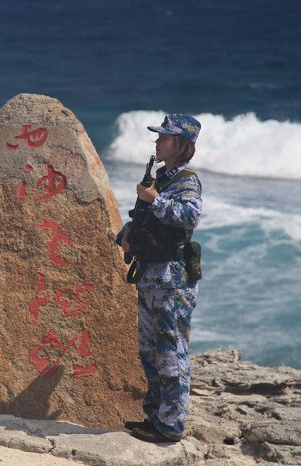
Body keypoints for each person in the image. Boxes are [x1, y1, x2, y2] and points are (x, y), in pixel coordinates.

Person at [119, 114, 203, 443]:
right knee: (149, 351)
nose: (157, 141)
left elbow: (189, 216)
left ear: (180, 145)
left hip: (172, 280)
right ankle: (155, 417)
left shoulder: (186, 181)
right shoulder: (162, 177)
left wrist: (154, 199)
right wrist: (128, 232)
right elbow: (148, 220)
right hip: (152, 276)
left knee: (171, 352)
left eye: (164, 138)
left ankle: (171, 425)